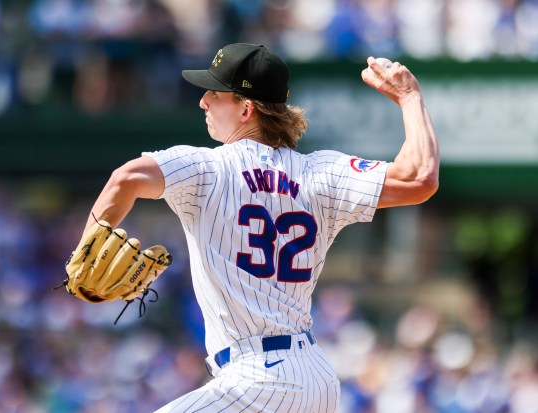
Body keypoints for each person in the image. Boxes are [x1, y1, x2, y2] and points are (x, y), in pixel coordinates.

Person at [78, 43, 439, 412]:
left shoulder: (206, 168)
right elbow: (420, 179)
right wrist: (410, 98)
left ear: (246, 108)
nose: (203, 101)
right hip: (314, 378)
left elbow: (126, 178)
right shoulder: (320, 173)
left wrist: (85, 250)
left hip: (257, 377)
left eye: (215, 93)